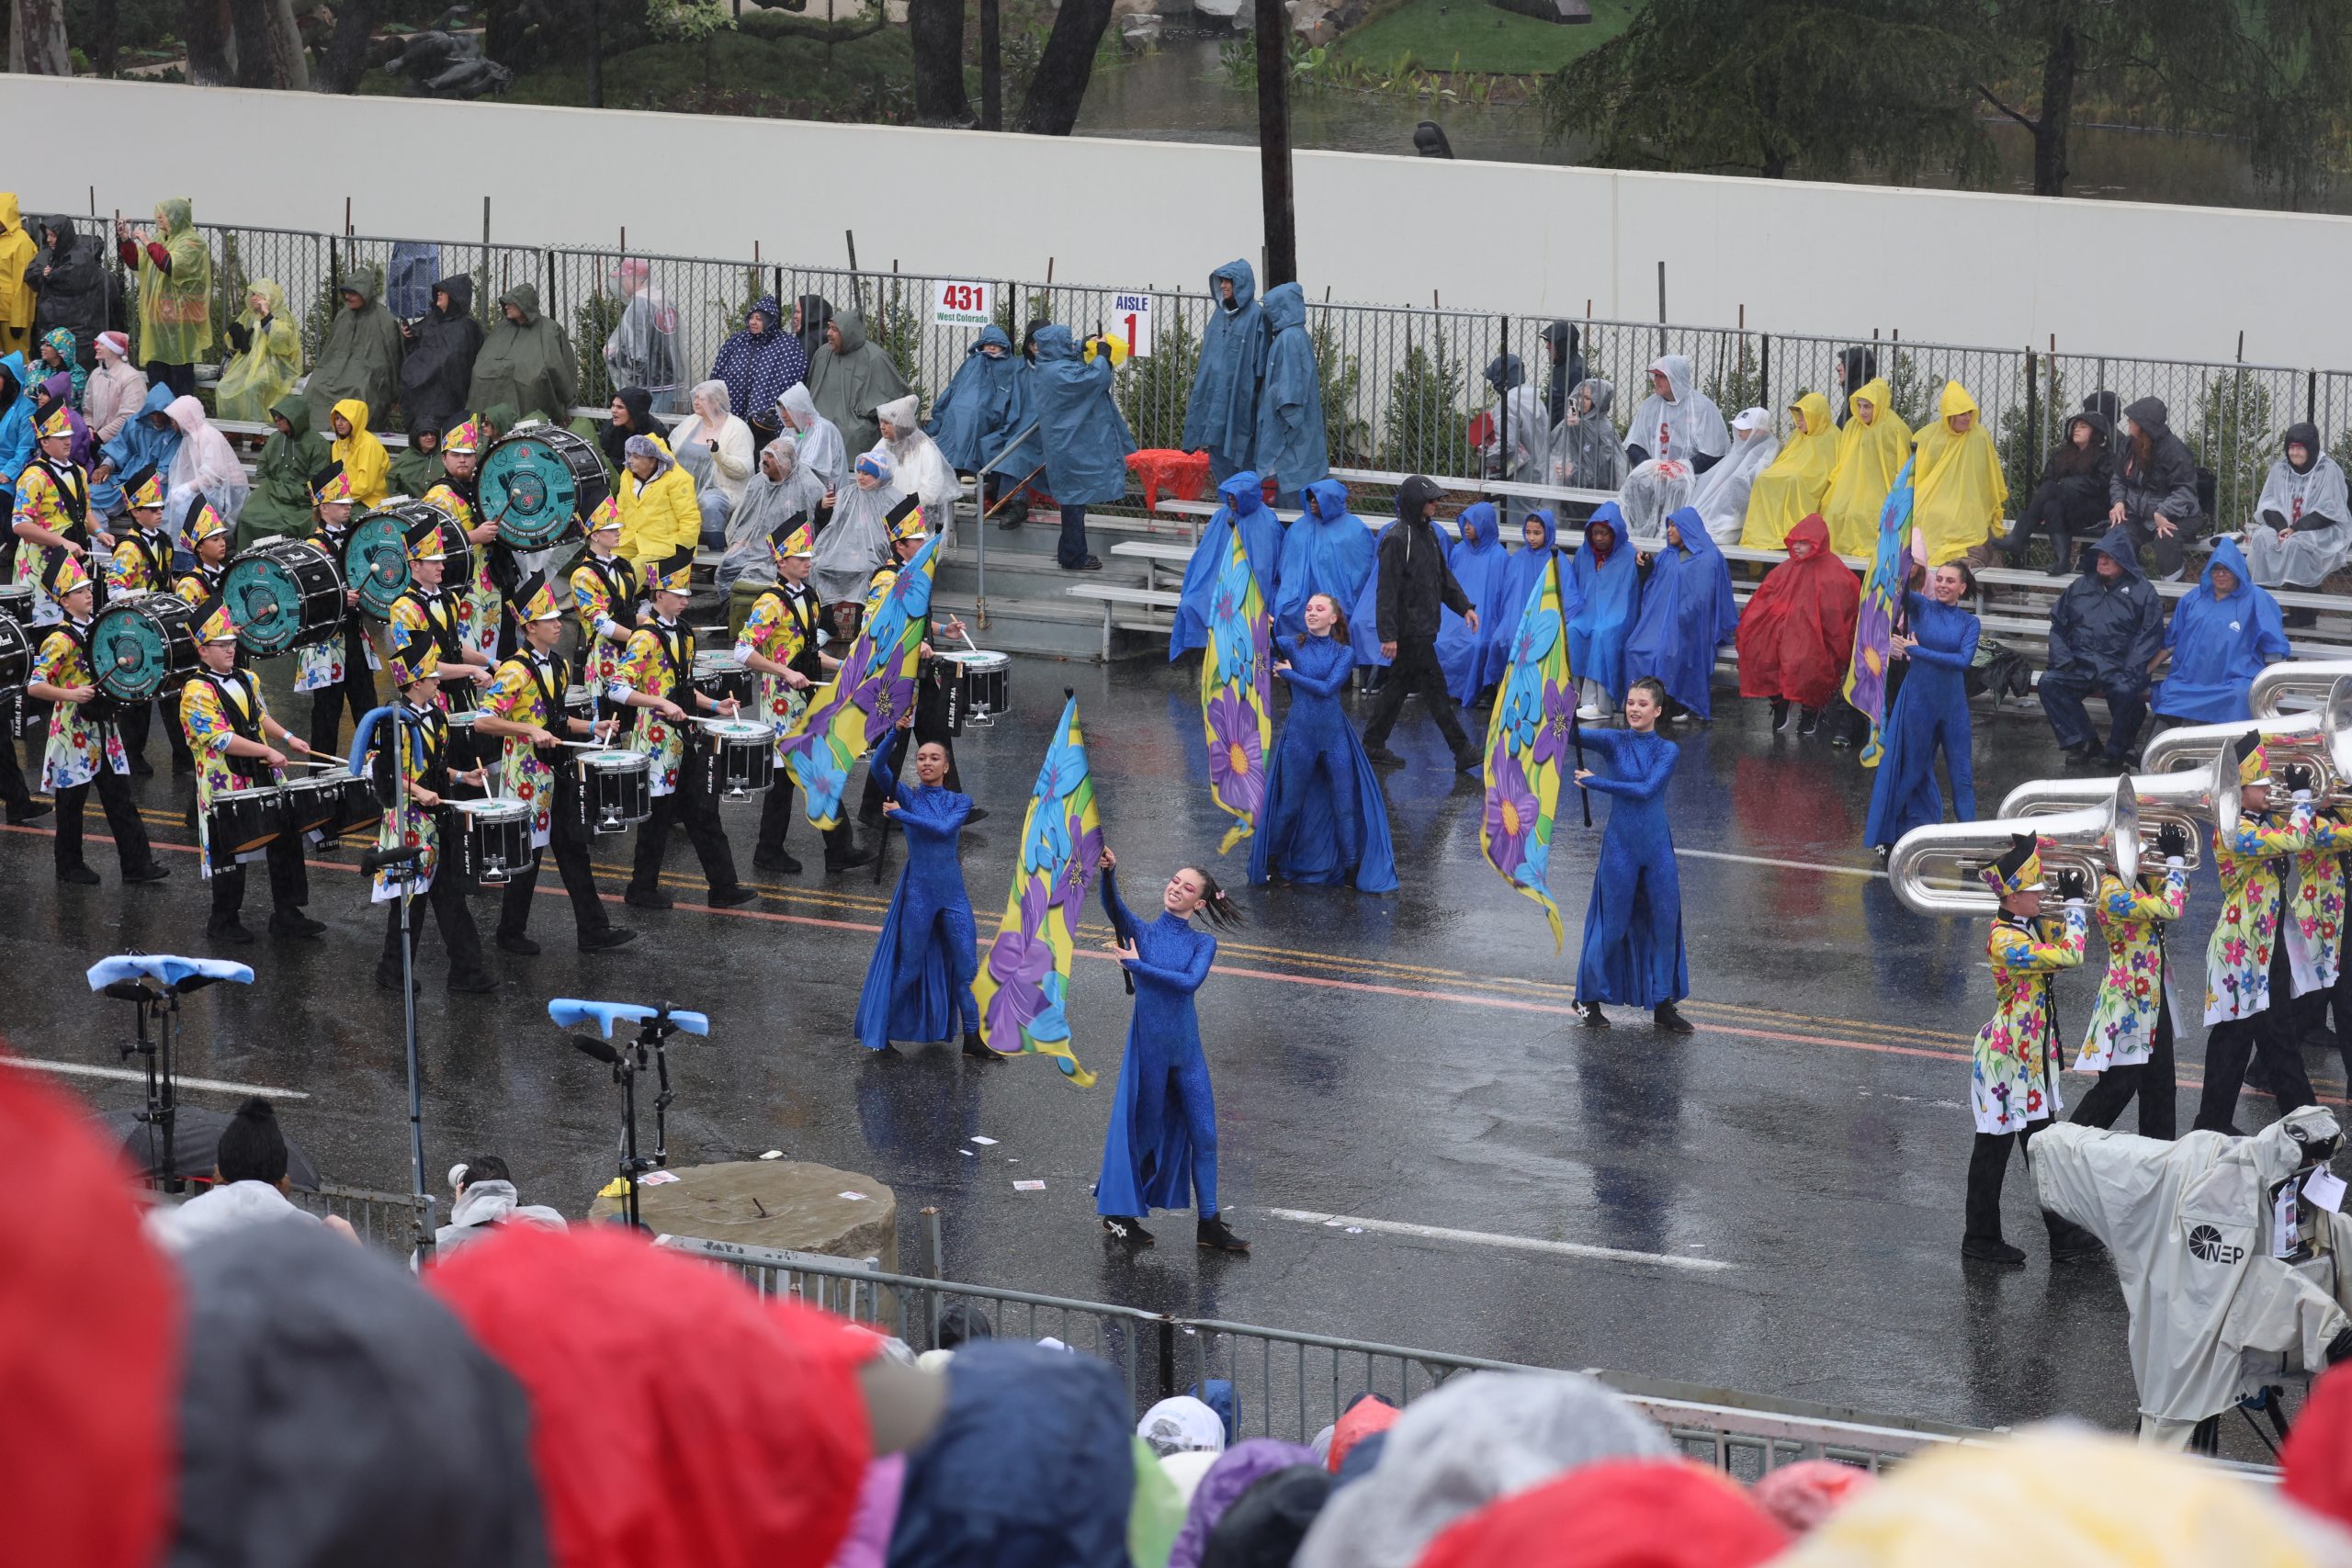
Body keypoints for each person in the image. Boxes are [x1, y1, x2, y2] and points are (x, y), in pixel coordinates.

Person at [1095, 847, 1250, 1252]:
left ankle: (1209, 1224)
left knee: (1207, 1135)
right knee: (1144, 1135)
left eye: (1186, 887)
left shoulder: (1203, 944)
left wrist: (1137, 966)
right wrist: (1110, 873)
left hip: (1188, 1055)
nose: (1176, 889)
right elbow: (1113, 907)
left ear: (1199, 903)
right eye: (1174, 881)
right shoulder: (1141, 933)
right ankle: (1117, 1213)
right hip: (1152, 1053)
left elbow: (1187, 983)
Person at [473, 571, 637, 956]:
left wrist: (592, 726)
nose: (559, 624)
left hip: (557, 770)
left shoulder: (560, 666)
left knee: (572, 848)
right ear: (530, 627)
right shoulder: (513, 669)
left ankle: (593, 930)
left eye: (558, 618)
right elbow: (484, 719)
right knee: (526, 856)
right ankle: (509, 932)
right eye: (549, 620)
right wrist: (527, 728)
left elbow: (558, 720)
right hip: (527, 777)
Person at [1960, 833, 2103, 1266]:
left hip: (2031, 1059)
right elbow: (2071, 955)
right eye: (2035, 892)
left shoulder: (2028, 924)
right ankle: (1980, 1238)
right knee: (1993, 1150)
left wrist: (2067, 883)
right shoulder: (2006, 940)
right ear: (2014, 897)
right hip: (2007, 1061)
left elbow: (2069, 935)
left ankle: (2061, 1235)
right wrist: (2075, 906)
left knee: (2039, 1148)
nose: (2043, 898)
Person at [2195, 734, 2325, 1134]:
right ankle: (2213, 1126)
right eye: (2261, 785)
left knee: (2277, 1040)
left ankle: (2305, 1123)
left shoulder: (2259, 821)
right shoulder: (2235, 829)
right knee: (2233, 1043)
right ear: (2239, 790)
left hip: (2267, 945)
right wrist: (2302, 799)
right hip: (2241, 949)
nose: (2270, 790)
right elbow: (2295, 839)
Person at [612, 549, 756, 911]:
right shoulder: (645, 637)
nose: (685, 599)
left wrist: (714, 706)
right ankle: (640, 888)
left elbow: (683, 688)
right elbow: (617, 687)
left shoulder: (686, 634)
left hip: (686, 739)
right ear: (658, 595)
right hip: (657, 743)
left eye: (687, 593)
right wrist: (658, 703)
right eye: (678, 594)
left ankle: (722, 887)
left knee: (703, 812)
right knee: (656, 820)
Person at [179, 602, 322, 942]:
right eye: (221, 644)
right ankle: (223, 920)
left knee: (286, 837)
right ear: (202, 650)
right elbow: (221, 738)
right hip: (224, 780)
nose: (230, 649)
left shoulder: (247, 677)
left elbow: (259, 717)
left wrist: (288, 738)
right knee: (231, 851)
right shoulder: (195, 691)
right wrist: (267, 750)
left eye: (232, 642)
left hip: (262, 773)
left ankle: (288, 913)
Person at [27, 553, 167, 887]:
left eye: (89, 588)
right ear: (63, 600)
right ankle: (69, 865)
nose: (89, 594)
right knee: (71, 803)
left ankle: (137, 864)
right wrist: (71, 694)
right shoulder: (58, 639)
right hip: (73, 730)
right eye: (80, 590)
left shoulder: (101, 626)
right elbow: (35, 685)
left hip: (103, 726)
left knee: (120, 796)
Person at [741, 517, 871, 874]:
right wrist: (784, 671)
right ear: (781, 561)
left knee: (808, 772)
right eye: (799, 557)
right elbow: (742, 650)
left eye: (809, 555)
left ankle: (819, 850)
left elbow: (809, 650)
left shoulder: (810, 597)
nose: (807, 561)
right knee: (790, 777)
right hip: (781, 704)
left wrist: (843, 667)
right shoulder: (770, 603)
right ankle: (785, 851)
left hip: (808, 699)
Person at [367, 637, 493, 995]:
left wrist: (460, 777)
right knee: (411, 900)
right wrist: (419, 791)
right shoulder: (391, 720)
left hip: (438, 815)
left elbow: (437, 766)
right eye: (433, 677)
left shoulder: (437, 715)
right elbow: (385, 772)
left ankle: (467, 971)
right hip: (409, 819)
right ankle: (391, 971)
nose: (439, 681)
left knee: (449, 894)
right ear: (416, 682)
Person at [854, 721, 986, 1056]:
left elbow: (943, 830)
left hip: (953, 895)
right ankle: (881, 1036)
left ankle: (973, 1040)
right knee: (909, 968)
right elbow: (877, 766)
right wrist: (896, 733)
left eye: (933, 758)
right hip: (919, 896)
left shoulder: (959, 800)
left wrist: (902, 816)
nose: (926, 763)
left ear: (946, 765)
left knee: (967, 970)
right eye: (921, 758)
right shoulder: (907, 795)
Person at [1250, 593, 1397, 893]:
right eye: (1308, 609)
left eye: (1319, 609)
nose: (1312, 613)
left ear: (1333, 618)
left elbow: (1328, 688)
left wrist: (1291, 674)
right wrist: (1261, 627)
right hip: (1299, 738)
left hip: (1334, 738)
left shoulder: (1344, 654)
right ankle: (1272, 865)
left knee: (1345, 807)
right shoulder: (1291, 644)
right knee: (1289, 806)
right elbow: (1260, 657)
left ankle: (1352, 871)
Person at [1569, 677, 1690, 1032]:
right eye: (1630, 702)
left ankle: (1663, 1004)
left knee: (1665, 926)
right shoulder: (1614, 740)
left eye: (1642, 703)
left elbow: (1646, 789)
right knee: (1613, 927)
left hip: (1657, 850)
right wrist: (1560, 707)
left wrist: (1596, 781)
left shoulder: (1667, 750)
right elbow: (1567, 734)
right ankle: (1586, 999)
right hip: (1620, 848)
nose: (1634, 709)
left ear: (1657, 710)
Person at [2071, 825, 2190, 1140]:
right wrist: (2175, 861)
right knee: (2117, 1087)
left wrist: (2170, 862)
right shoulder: (2111, 891)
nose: (2141, 859)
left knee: (2161, 1083)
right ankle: (2068, 1144)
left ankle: (2160, 1154)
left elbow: (2181, 893)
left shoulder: (2137, 879)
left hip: (2153, 994)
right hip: (2126, 999)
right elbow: (2171, 907)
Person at [1360, 475, 1481, 771]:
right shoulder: (1396, 539)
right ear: (1415, 503)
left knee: (1397, 688)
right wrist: (1388, 635)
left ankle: (1372, 744)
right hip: (1409, 632)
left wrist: (1464, 607)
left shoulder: (1428, 535)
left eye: (1437, 500)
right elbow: (1385, 591)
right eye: (1431, 500)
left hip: (1423, 629)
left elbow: (1442, 578)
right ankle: (1461, 749)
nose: (1436, 505)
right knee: (1436, 691)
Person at [1862, 561, 1981, 852]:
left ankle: (1974, 842)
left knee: (1962, 778)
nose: (1942, 585)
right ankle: (1887, 836)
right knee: (1912, 772)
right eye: (1939, 579)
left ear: (1962, 588)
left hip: (1953, 709)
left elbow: (1963, 662)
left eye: (1950, 581)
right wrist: (1903, 561)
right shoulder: (1920, 607)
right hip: (1919, 702)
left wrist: (1916, 651)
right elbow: (1895, 589)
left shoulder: (1970, 623)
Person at [2040, 525, 2164, 768]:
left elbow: (2150, 635)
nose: (2102, 561)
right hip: (2080, 664)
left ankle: (2117, 749)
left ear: (2124, 560)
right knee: (2050, 683)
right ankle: (2085, 742)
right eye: (2100, 556)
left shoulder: (2143, 592)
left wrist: (2131, 670)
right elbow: (2058, 625)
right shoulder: (2079, 586)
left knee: (2126, 692)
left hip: (2119, 667)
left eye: (2109, 557)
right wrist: (2063, 659)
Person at [1736, 513, 1860, 736]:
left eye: (1804, 542)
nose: (1798, 547)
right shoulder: (1788, 568)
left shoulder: (1833, 572)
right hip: (1786, 629)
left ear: (1817, 543)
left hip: (1815, 636)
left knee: (1805, 662)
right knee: (1757, 651)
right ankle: (1779, 700)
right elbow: (1765, 599)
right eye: (1796, 542)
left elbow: (1838, 614)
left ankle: (1810, 709)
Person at [1026, 324, 1136, 571]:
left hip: (1065, 445)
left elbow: (1071, 355)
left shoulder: (1048, 365)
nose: (1071, 344)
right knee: (1074, 501)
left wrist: (1086, 344)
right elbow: (1095, 379)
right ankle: (1074, 556)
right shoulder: (1058, 372)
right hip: (1070, 446)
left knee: (1073, 501)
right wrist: (1102, 356)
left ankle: (1071, 551)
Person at [2151, 536, 2288, 724]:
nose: (2221, 574)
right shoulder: (2192, 599)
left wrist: (2275, 684)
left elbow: (2273, 647)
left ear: (2237, 571)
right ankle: (2163, 751)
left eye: (2227, 569)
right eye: (2216, 569)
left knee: (2241, 697)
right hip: (2189, 680)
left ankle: (2229, 751)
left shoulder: (2257, 599)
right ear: (2209, 571)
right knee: (2170, 693)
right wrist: (2148, 668)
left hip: (2233, 681)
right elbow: (2172, 641)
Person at [294, 464, 379, 756]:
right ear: (324, 506)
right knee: (327, 711)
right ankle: (322, 775)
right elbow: (306, 597)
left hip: (355, 633)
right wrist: (342, 598)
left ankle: (376, 769)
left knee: (367, 705)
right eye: (341, 501)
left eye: (348, 500)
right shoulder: (312, 547)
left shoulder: (356, 536)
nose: (349, 505)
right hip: (326, 639)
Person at [1625, 508, 1737, 721]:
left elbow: (1707, 599)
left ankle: (1678, 701)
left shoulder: (1711, 558)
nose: (1669, 530)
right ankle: (1645, 701)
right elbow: (1653, 587)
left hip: (1694, 626)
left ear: (1687, 527)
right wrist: (1645, 567)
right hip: (1662, 624)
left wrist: (1685, 618)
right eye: (1668, 525)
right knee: (1635, 647)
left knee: (1669, 651)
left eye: (1674, 525)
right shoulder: (1668, 556)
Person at [385, 509, 494, 714]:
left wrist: (490, 661)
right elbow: (420, 667)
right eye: (434, 562)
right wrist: (471, 669)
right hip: (428, 702)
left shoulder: (450, 598)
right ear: (415, 565)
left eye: (442, 561)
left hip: (461, 693)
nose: (442, 567)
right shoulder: (403, 608)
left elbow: (455, 646)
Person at [1171, 469, 1283, 660]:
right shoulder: (1221, 516)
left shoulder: (1267, 523)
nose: (1230, 498)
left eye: (1235, 495)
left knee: (1241, 611)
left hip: (1250, 587)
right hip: (1216, 583)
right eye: (1228, 494)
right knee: (1191, 603)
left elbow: (1264, 570)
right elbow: (1205, 557)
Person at [2243, 422, 2352, 604]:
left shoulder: (2327, 470)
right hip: (2285, 528)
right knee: (2263, 539)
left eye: (2300, 448)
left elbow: (2329, 511)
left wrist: (2296, 528)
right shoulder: (2281, 469)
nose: (2294, 453)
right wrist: (2281, 528)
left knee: (2297, 546)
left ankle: (2304, 612)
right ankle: (2264, 607)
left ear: (2311, 448)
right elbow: (2269, 505)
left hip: (2321, 529)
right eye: (2291, 448)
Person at [114, 199, 210, 398]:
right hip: (157, 326)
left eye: (164, 214)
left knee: (179, 386)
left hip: (181, 327)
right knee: (158, 386)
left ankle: (180, 425)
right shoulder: (160, 239)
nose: (159, 217)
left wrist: (148, 242)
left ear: (176, 216)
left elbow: (169, 264)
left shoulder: (192, 243)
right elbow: (137, 264)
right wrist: (126, 240)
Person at [1998, 408, 2111, 576]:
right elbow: (2046, 480)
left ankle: (2019, 537)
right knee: (2051, 505)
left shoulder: (2105, 457)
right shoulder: (2062, 454)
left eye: (2083, 427)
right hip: (2064, 510)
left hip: (2092, 512)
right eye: (2075, 426)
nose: (2076, 429)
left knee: (2052, 489)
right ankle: (2062, 561)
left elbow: (2101, 485)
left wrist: (2066, 485)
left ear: (2095, 432)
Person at [1183, 261, 1265, 482]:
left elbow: (1260, 365)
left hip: (1241, 400)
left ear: (1242, 283)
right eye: (1221, 281)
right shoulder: (1219, 316)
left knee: (1242, 453)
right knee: (1217, 447)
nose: (1224, 286)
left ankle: (1243, 508)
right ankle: (1227, 503)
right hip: (1214, 401)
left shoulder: (1255, 316)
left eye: (1229, 281)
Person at [1912, 381, 2008, 567]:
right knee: (1928, 515)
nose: (1966, 418)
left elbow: (1988, 474)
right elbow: (1920, 474)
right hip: (1934, 498)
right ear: (1949, 416)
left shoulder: (1980, 437)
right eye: (1961, 414)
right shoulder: (1929, 437)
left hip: (1970, 501)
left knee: (1960, 520)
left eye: (1969, 412)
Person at [2109, 396, 2204, 581]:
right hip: (2139, 514)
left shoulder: (2175, 451)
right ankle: (2129, 587)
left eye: (2132, 419)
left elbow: (2185, 491)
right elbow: (2118, 478)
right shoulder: (2129, 445)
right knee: (2120, 534)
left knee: (2165, 538)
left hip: (2179, 515)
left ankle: (2173, 593)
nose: (2128, 422)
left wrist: (2162, 513)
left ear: (2144, 425)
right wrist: (2118, 502)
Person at [1253, 283, 1329, 502]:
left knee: (1291, 513)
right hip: (1301, 443)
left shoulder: (1288, 339)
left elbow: (1289, 396)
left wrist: (1279, 431)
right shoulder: (1295, 335)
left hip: (1292, 447)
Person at [1566, 502, 1641, 721]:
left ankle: (1599, 703)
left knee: (1602, 634)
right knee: (1572, 630)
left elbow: (1639, 586)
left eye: (1604, 533)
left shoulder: (1629, 555)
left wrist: (1644, 565)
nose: (1599, 538)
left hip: (1619, 614)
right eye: (1595, 533)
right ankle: (1573, 696)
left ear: (1615, 532)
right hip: (1588, 611)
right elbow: (1575, 586)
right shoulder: (1584, 553)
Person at [1274, 479, 1374, 642]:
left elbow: (1362, 574)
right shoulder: (1298, 529)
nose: (1312, 501)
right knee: (1287, 608)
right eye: (1309, 497)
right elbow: (1286, 569)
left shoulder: (1354, 530)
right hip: (1300, 597)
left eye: (1318, 497)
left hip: (1341, 599)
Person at [928, 325, 1023, 497]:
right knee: (960, 412)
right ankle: (955, 465)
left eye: (996, 344)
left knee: (976, 415)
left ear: (1004, 346)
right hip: (966, 404)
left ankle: (967, 467)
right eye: (987, 344)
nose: (991, 347)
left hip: (992, 408)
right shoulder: (974, 361)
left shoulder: (1011, 365)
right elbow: (956, 386)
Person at [723, 432, 825, 590]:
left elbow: (817, 529)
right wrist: (740, 540)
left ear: (784, 462)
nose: (764, 459)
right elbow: (743, 519)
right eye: (765, 454)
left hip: (793, 552)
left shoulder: (809, 485)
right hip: (755, 546)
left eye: (771, 456)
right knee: (728, 564)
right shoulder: (756, 484)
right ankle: (732, 611)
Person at [1481, 509, 1566, 694]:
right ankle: (1496, 687)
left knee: (1528, 641)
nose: (1531, 538)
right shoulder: (1518, 558)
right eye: (1528, 532)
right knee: (1500, 638)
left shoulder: (1556, 558)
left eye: (1537, 533)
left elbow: (1564, 594)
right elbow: (1507, 594)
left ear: (1548, 532)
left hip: (1543, 619)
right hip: (1515, 616)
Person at [466, 283, 577, 424]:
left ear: (524, 304)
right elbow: (483, 361)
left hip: (528, 405)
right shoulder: (501, 328)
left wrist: (568, 400)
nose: (506, 306)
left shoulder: (549, 329)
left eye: (511, 303)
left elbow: (559, 367)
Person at [709, 292, 807, 452]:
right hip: (735, 405)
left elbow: (792, 377)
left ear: (770, 320)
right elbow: (719, 369)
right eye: (752, 317)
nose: (753, 322)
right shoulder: (738, 340)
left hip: (764, 415)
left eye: (759, 319)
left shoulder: (786, 344)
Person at [1739, 393, 1838, 550]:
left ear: (1816, 416)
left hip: (1811, 479)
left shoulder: (1832, 436)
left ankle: (1796, 533)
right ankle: (1762, 534)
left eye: (1803, 416)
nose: (1799, 420)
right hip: (1793, 471)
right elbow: (1786, 458)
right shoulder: (1797, 435)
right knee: (1763, 479)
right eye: (1798, 415)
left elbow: (1827, 468)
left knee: (1794, 480)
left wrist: (1800, 473)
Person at [808, 307, 910, 458]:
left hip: (856, 430)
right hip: (819, 426)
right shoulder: (823, 355)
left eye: (835, 329)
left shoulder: (875, 358)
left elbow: (896, 401)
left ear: (848, 332)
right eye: (829, 328)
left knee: (853, 433)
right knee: (804, 433)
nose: (828, 333)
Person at [1437, 501, 1510, 706]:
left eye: (1473, 523)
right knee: (1439, 640)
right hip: (1454, 616)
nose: (1467, 527)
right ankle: (1445, 689)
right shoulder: (1459, 552)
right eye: (1465, 522)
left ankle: (1481, 691)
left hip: (1486, 618)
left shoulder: (1499, 557)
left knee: (1477, 644)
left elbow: (1500, 597)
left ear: (1485, 524)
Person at [234, 392, 330, 550]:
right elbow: (262, 470)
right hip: (272, 498)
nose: (276, 420)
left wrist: (282, 491)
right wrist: (270, 490)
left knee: (296, 524)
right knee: (248, 516)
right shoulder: (275, 439)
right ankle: (245, 564)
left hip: (302, 504)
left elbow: (317, 485)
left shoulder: (318, 445)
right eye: (275, 416)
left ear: (295, 418)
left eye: (281, 416)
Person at [667, 379, 754, 549]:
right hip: (682, 487)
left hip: (721, 490)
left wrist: (718, 454)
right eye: (695, 397)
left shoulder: (737, 428)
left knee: (710, 504)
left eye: (702, 399)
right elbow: (672, 451)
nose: (696, 402)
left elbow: (743, 470)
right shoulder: (691, 422)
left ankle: (715, 555)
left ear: (716, 402)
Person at [398, 273, 484, 442]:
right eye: (438, 291)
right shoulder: (432, 320)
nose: (439, 294)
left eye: (443, 291)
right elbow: (420, 344)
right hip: (423, 395)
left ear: (454, 296)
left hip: (449, 397)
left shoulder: (466, 327)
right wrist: (410, 336)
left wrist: (427, 369)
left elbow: (455, 361)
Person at [814, 450, 902, 611]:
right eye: (859, 472)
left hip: (877, 553)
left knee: (866, 570)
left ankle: (861, 619)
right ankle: (825, 621)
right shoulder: (847, 493)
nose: (860, 477)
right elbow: (830, 526)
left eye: (867, 473)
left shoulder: (894, 498)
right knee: (818, 565)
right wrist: (823, 507)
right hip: (843, 550)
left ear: (880, 475)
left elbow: (900, 535)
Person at [25, 215, 111, 372]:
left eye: (53, 235)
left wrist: (48, 276)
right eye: (47, 235)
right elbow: (30, 274)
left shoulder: (81, 256)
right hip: (49, 326)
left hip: (77, 330)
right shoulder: (47, 255)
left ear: (63, 235)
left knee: (75, 375)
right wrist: (43, 275)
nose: (49, 240)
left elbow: (69, 279)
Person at [435, 1156, 568, 1256]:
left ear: (467, 1192)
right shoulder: (547, 1220)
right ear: (508, 1186)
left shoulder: (444, 1240)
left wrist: (459, 1214)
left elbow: (423, 1275)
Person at [89, 380, 178, 526]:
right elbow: (119, 447)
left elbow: (165, 473)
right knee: (90, 494)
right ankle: (102, 542)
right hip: (123, 479)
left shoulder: (174, 433)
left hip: (155, 485)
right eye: (152, 413)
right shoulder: (134, 423)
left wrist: (133, 484)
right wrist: (105, 467)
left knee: (152, 502)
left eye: (160, 414)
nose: (156, 418)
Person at [213, 279, 301, 423]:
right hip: (247, 365)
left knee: (252, 386)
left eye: (258, 295)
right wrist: (236, 337)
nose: (253, 298)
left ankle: (258, 429)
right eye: (252, 294)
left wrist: (267, 316)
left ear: (269, 297)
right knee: (224, 386)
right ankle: (233, 426)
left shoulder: (282, 315)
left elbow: (284, 343)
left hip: (272, 367)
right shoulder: (249, 315)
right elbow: (233, 341)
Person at [1622, 355, 1727, 472]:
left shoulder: (1703, 408)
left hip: (1694, 483)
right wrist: (1652, 470)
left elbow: (1713, 454)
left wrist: (1676, 473)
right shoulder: (1650, 406)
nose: (1655, 380)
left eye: (1661, 376)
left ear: (1676, 378)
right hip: (1655, 481)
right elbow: (1633, 444)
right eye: (1655, 375)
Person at [603, 258, 683, 413]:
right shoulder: (665, 301)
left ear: (634, 279)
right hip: (669, 377)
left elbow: (637, 351)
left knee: (648, 430)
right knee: (660, 427)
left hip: (650, 382)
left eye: (624, 279)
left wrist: (613, 356)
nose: (622, 284)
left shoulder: (639, 305)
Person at [616, 433, 700, 581]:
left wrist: (681, 549)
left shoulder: (678, 479)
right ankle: (596, 600)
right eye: (629, 455)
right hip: (630, 539)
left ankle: (613, 602)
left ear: (653, 460)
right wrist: (619, 535)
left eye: (636, 457)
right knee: (601, 564)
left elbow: (689, 518)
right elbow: (620, 510)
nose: (630, 460)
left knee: (635, 568)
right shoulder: (626, 475)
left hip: (663, 543)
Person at [164, 394, 250, 536]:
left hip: (228, 491)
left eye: (174, 419)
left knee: (186, 512)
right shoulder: (190, 437)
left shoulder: (207, 435)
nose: (172, 423)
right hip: (210, 490)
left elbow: (215, 474)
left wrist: (186, 488)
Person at [1689, 407, 1774, 545]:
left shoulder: (1769, 447)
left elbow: (1754, 476)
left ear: (1758, 431)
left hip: (1738, 509)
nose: (1739, 431)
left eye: (1744, 429)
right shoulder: (1741, 446)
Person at [1481, 353, 1547, 525]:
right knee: (1530, 523)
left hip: (1514, 476)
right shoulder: (1535, 401)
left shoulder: (1507, 404)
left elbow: (1507, 445)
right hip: (1536, 472)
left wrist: (1484, 453)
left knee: (1510, 526)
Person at [1550, 378, 1623, 492]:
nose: (1580, 401)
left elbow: (1603, 477)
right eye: (1580, 396)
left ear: (1598, 402)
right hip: (1573, 491)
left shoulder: (1604, 431)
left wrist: (1572, 472)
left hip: (1594, 498)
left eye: (1587, 398)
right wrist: (1571, 429)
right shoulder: (1577, 424)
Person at [780, 380, 847, 502]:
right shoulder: (790, 431)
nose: (783, 415)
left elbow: (806, 469)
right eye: (781, 409)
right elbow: (779, 459)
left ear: (800, 408)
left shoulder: (820, 428)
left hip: (828, 498)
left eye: (787, 409)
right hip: (801, 495)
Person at [84, 332, 145, 450]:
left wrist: (100, 436)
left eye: (102, 344)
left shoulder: (131, 377)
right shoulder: (96, 374)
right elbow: (88, 410)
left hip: (123, 447)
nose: (96, 347)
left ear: (113, 348)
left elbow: (129, 417)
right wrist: (89, 428)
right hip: (96, 444)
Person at [325, 397, 389, 509]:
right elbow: (338, 478)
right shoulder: (337, 445)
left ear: (356, 420)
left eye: (345, 419)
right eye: (337, 418)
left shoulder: (368, 444)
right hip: (346, 499)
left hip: (371, 503)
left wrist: (336, 498)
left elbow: (366, 487)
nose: (339, 423)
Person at [600, 383, 670, 477]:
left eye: (620, 407)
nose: (613, 410)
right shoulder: (609, 428)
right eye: (613, 405)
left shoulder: (656, 434)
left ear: (634, 410)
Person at [0, 196, 32, 358]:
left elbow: (24, 284)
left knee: (16, 360)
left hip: (11, 315)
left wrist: (18, 320)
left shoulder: (22, 241)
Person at [1540, 321, 1587, 424]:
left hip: (1563, 436)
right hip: (1553, 433)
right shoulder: (1561, 365)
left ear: (1562, 344)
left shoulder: (1576, 371)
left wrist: (1564, 437)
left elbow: (1574, 415)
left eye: (1550, 342)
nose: (1547, 346)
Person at [386, 419, 443, 498]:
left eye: (433, 433)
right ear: (416, 437)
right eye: (424, 434)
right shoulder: (405, 458)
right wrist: (404, 503)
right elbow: (392, 485)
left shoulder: (445, 456)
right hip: (411, 506)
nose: (430, 437)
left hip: (441, 506)